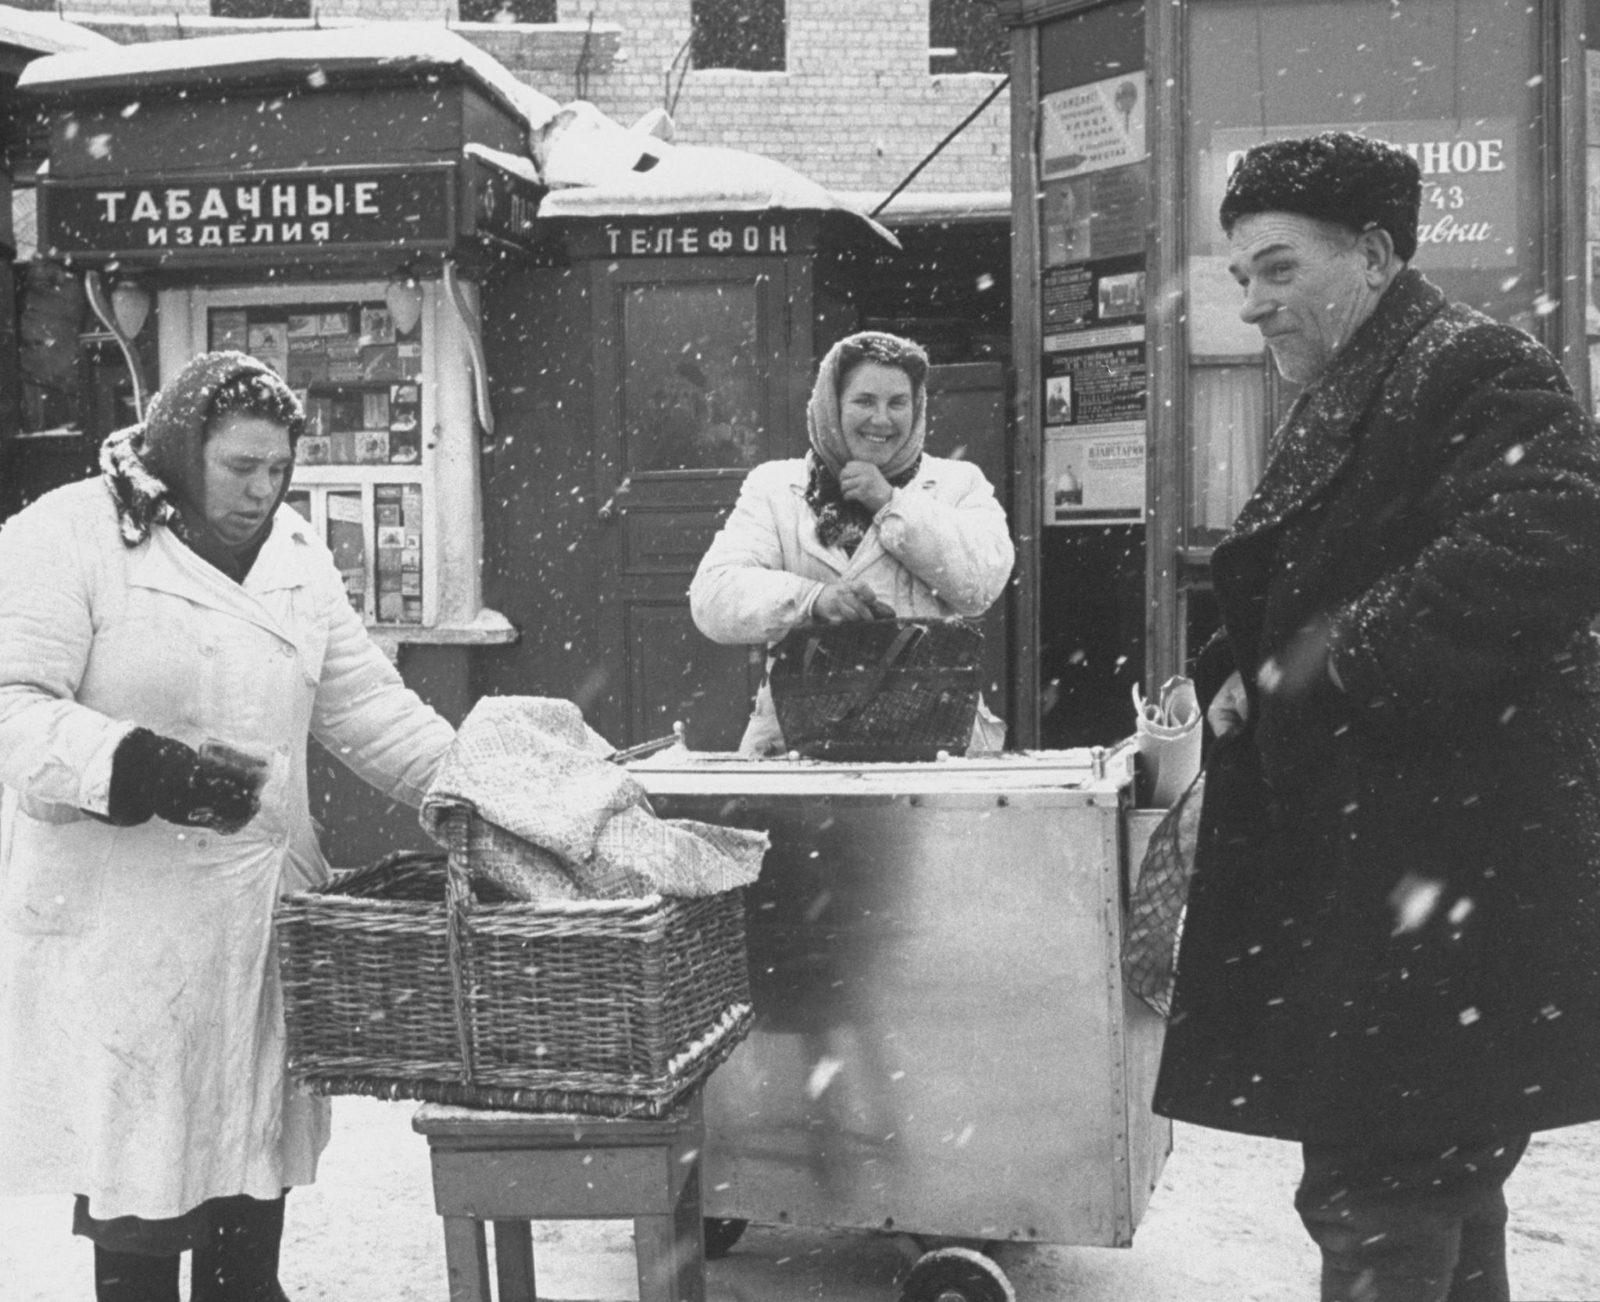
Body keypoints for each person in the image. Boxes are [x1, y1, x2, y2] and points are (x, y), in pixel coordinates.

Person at [1152, 132, 1600, 1302]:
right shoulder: (1365, 381)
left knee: (1381, 1185)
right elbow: (1331, 571)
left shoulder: (1463, 364)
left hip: (1437, 878)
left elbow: (1548, 537)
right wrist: (1239, 665)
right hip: (1403, 879)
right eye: (1239, 273)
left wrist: (1319, 666)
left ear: (1376, 252)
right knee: (1426, 1175)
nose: (1249, 303)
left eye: (1278, 269)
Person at [0, 351, 456, 1302]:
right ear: (178, 449)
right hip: (127, 919)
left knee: (249, 1160)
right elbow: (10, 705)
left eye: (277, 468)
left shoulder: (293, 552)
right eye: (238, 468)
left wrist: (478, 787)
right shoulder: (71, 535)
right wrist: (136, 766)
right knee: (143, 1171)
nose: (262, 491)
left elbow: (366, 706)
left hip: (259, 912)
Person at [690, 330, 1014, 756]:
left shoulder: (958, 483)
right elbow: (712, 598)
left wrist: (892, 505)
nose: (882, 419)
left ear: (916, 409)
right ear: (831, 405)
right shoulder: (774, 487)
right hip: (802, 742)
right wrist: (812, 600)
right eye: (864, 401)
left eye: (898, 403)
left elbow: (979, 586)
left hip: (931, 739)